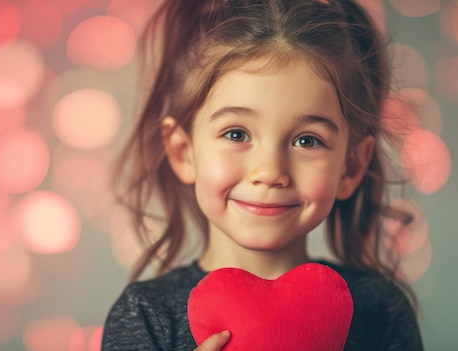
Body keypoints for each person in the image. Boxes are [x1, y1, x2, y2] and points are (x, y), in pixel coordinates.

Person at [101, 0, 424, 350]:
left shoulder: (381, 309)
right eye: (237, 134)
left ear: (350, 167)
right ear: (184, 153)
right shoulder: (145, 315)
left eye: (307, 140)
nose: (270, 172)